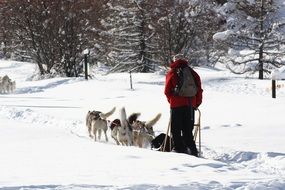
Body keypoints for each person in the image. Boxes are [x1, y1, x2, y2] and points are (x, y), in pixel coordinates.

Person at [164, 54, 203, 156]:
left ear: (174, 61)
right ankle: (193, 152)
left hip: (176, 106)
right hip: (190, 105)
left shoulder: (172, 73)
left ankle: (180, 152)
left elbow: (167, 91)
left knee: (175, 131)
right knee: (188, 132)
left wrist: (172, 101)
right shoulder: (193, 73)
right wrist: (196, 104)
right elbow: (199, 90)